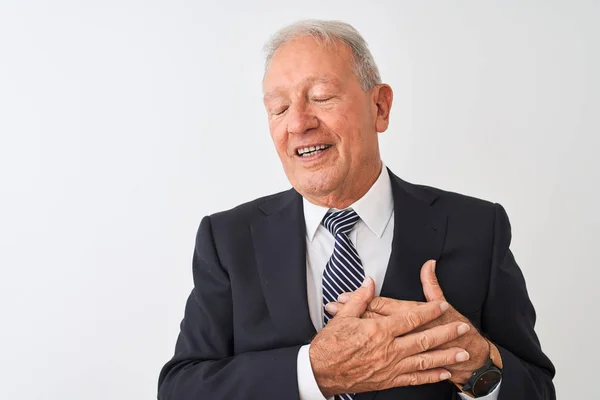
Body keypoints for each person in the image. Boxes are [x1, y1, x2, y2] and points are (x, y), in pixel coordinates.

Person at [157, 20, 555, 400]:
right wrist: (314, 371)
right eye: (278, 108)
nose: (297, 123)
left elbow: (539, 391)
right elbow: (181, 389)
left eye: (322, 97)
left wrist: (478, 363)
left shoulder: (477, 228)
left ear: (379, 107)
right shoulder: (228, 238)